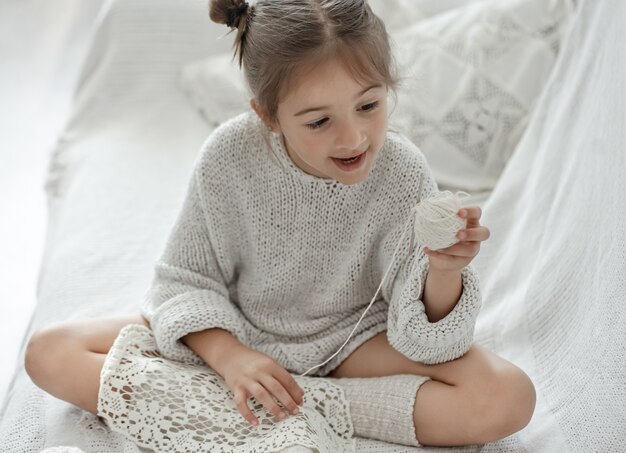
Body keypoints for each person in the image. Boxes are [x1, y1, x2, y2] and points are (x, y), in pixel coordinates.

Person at [24, 0, 536, 448]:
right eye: (319, 121)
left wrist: (444, 272)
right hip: (240, 330)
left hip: (354, 345)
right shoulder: (229, 156)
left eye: (369, 105)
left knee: (507, 397)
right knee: (52, 352)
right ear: (267, 114)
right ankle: (270, 399)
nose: (353, 137)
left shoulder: (403, 172)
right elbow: (184, 282)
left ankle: (293, 405)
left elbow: (428, 340)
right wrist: (231, 359)